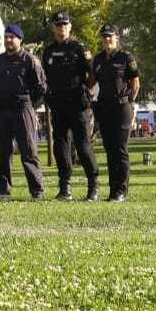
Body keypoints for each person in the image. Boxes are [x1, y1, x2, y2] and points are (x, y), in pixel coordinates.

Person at [42, 11, 99, 201]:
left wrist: (85, 91)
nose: (61, 28)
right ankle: (65, 187)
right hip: (58, 105)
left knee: (83, 146)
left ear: (70, 27)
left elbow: (92, 75)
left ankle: (93, 186)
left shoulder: (79, 49)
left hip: (77, 104)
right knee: (60, 146)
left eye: (65, 25)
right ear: (53, 28)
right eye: (58, 25)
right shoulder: (48, 51)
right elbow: (46, 77)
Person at [0, 23, 48, 199]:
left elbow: (41, 88)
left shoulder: (30, 60)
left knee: (28, 151)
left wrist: (30, 105)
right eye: (6, 37)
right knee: (3, 152)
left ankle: (37, 190)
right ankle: (2, 191)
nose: (8, 40)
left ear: (20, 40)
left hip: (23, 108)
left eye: (11, 37)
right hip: (3, 111)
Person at [91, 23, 140, 202]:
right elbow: (91, 82)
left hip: (122, 107)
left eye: (110, 36)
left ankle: (121, 190)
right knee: (110, 149)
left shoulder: (126, 58)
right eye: (104, 36)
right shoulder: (97, 60)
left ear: (116, 38)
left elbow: (135, 84)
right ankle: (113, 190)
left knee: (120, 149)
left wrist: (129, 102)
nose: (107, 39)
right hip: (105, 107)